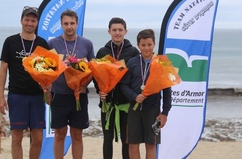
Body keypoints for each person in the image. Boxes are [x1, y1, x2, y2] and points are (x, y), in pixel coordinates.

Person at [0, 6, 50, 159]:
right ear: (21, 21)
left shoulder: (42, 43)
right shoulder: (10, 41)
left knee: (38, 138)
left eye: (33, 20)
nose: (29, 23)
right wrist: (0, 97)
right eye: (27, 20)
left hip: (36, 96)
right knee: (17, 137)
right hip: (17, 94)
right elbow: (3, 69)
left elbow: (48, 71)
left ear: (37, 23)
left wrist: (48, 87)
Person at [47, 9, 95, 159]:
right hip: (59, 94)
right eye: (66, 23)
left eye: (72, 23)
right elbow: (47, 69)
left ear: (77, 24)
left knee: (77, 134)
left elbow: (93, 69)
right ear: (61, 24)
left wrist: (84, 85)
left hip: (79, 95)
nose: (69, 26)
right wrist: (47, 90)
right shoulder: (52, 43)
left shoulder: (86, 44)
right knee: (59, 134)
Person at [120, 29, 171, 159]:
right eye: (143, 45)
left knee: (151, 144)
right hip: (134, 110)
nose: (146, 48)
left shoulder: (161, 63)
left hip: (152, 110)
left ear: (154, 44)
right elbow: (124, 85)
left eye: (149, 44)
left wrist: (165, 112)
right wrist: (134, 96)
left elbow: (167, 90)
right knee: (132, 144)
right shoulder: (132, 62)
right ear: (138, 45)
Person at [94, 17, 139, 159]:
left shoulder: (133, 52)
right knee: (107, 140)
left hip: (127, 104)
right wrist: (99, 91)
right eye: (114, 30)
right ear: (109, 31)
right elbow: (96, 76)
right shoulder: (102, 52)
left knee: (127, 141)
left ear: (126, 31)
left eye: (120, 30)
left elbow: (137, 77)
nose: (117, 33)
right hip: (107, 105)